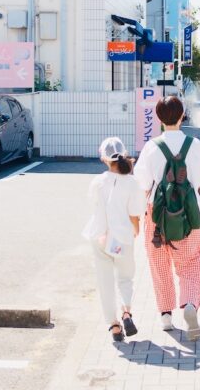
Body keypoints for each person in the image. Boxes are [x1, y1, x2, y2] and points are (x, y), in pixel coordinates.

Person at [134, 96, 200, 341]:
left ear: (159, 119)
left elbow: (143, 182)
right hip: (189, 217)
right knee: (190, 263)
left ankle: (166, 316)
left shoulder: (151, 146)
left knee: (160, 266)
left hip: (157, 217)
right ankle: (189, 303)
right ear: (182, 116)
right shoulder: (195, 144)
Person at [81, 137, 145, 343]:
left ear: (103, 158)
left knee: (105, 281)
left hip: (99, 237)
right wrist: (136, 230)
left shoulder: (97, 182)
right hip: (122, 238)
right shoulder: (133, 183)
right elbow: (135, 213)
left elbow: (94, 206)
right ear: (124, 153)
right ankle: (126, 311)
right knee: (125, 278)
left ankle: (114, 326)